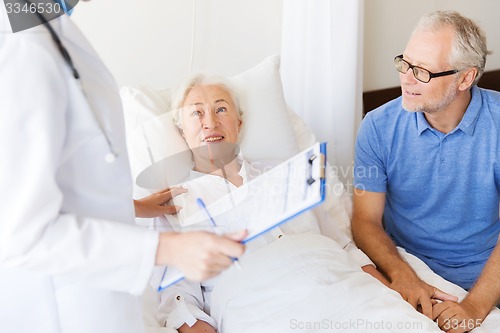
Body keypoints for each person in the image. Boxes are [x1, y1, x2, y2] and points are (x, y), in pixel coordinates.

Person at [0, 3, 246, 333]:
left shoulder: (53, 28)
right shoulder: (22, 50)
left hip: (105, 293)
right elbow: (22, 232)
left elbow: (67, 178)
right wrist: (169, 248)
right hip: (65, 306)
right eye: (196, 113)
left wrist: (131, 208)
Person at [152, 74, 445, 333]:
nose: (210, 122)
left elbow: (344, 247)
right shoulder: (171, 204)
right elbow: (180, 301)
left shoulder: (288, 173)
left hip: (344, 286)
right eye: (196, 114)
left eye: (221, 109)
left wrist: (391, 294)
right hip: (259, 308)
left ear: (238, 123)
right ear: (182, 133)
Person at [352, 10, 500, 332]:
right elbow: (365, 221)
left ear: (465, 78)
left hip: (486, 273)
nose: (405, 78)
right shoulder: (377, 127)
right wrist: (404, 277)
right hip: (407, 263)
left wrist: (474, 306)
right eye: (405, 63)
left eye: (421, 72)